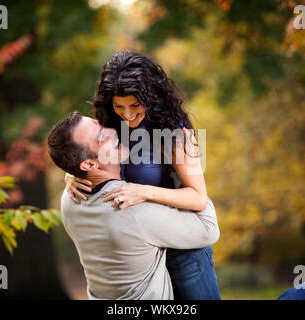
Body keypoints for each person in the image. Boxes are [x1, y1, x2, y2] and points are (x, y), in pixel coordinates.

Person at [65, 50, 221, 299]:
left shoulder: (174, 133)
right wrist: (73, 175)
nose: (127, 114)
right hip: (142, 256)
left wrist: (144, 191)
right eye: (119, 106)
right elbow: (91, 159)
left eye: (135, 105)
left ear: (152, 97)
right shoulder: (111, 125)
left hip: (183, 252)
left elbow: (198, 198)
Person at [47, 111, 220, 299]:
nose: (113, 130)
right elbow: (208, 228)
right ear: (89, 164)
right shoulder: (130, 207)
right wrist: (188, 164)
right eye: (102, 137)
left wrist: (72, 173)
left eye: (101, 124)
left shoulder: (69, 200)